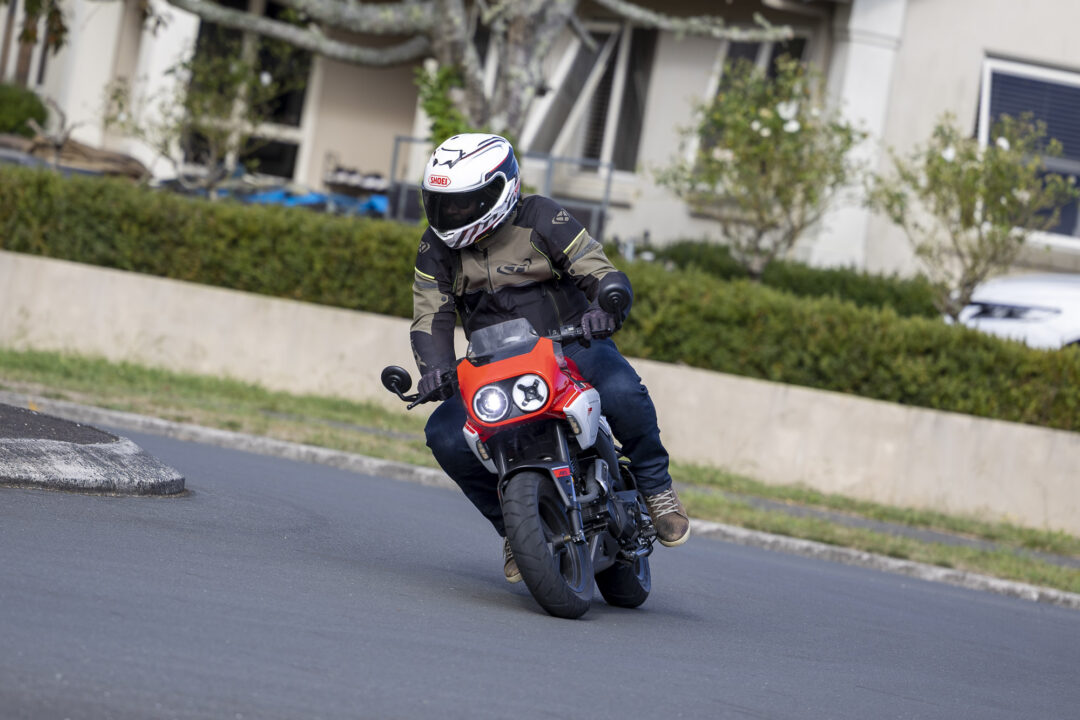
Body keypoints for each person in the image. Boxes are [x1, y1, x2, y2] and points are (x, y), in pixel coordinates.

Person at [411, 133, 690, 583]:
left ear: (501, 189)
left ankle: (657, 489)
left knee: (621, 389)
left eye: (464, 203)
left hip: (572, 347)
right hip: (493, 367)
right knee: (443, 433)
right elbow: (430, 317)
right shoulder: (436, 246)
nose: (452, 215)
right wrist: (434, 372)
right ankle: (513, 527)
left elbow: (595, 267)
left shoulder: (542, 216)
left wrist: (605, 305)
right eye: (443, 203)